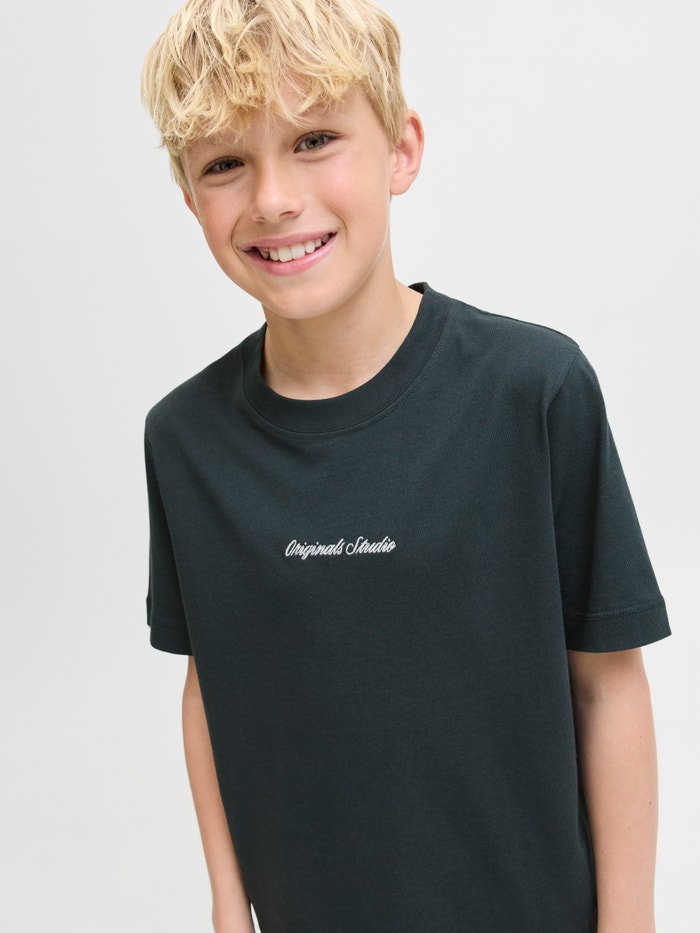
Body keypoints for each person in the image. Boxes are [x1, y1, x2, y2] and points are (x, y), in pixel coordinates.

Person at [141, 1, 671, 930]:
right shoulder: (185, 440)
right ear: (190, 195)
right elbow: (207, 683)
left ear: (401, 149)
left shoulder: (534, 389)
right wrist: (228, 904)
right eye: (225, 163)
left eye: (314, 140)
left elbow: (608, 681)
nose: (273, 198)